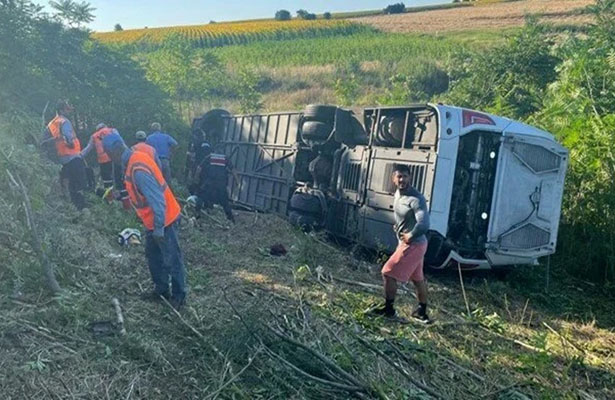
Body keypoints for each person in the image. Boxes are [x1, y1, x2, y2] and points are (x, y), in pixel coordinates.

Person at [102, 132, 187, 309]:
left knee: (171, 258)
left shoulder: (138, 169)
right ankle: (161, 289)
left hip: (164, 220)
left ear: (115, 152)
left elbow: (158, 201)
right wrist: (120, 195)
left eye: (107, 154)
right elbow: (140, 193)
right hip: (154, 221)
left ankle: (179, 297)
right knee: (153, 255)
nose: (107, 158)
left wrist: (158, 230)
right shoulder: (132, 159)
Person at [373, 164, 430, 322]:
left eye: (405, 176)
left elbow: (424, 224)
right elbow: (404, 216)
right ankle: (422, 312)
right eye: (399, 176)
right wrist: (398, 227)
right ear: (393, 178)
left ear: (410, 177)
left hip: (414, 244)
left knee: (388, 273)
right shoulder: (398, 193)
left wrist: (410, 234)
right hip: (413, 244)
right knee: (418, 279)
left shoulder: (416, 198)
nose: (402, 180)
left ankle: (389, 310)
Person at [45, 100, 87, 210]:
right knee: (78, 183)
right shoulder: (64, 122)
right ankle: (81, 207)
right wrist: (71, 144)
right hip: (73, 156)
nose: (69, 111)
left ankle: (73, 206)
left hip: (62, 157)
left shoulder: (51, 123)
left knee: (69, 182)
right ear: (61, 110)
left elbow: (46, 141)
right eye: (67, 109)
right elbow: (68, 138)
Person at [193, 146, 236, 223]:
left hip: (209, 182)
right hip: (221, 184)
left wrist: (196, 179)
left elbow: (199, 168)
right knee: (225, 202)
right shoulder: (225, 158)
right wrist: (237, 181)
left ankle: (197, 213)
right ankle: (231, 219)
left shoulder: (209, 157)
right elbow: (233, 170)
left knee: (201, 196)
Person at [80, 123, 117, 191]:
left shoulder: (94, 136)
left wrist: (80, 155)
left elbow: (88, 148)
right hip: (115, 158)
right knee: (118, 177)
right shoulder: (112, 130)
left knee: (107, 180)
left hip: (103, 161)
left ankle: (110, 197)